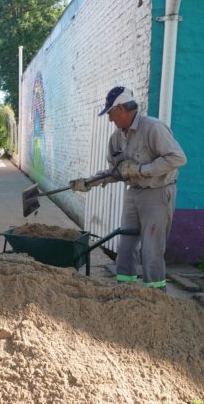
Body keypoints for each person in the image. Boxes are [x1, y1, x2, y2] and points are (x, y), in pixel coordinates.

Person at [70, 87, 187, 291]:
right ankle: (125, 292)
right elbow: (115, 171)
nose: (109, 119)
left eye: (111, 114)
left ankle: (155, 296)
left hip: (157, 192)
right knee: (126, 245)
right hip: (134, 192)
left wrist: (142, 170)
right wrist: (91, 182)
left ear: (122, 109)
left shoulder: (153, 128)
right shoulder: (117, 138)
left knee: (151, 249)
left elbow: (178, 158)